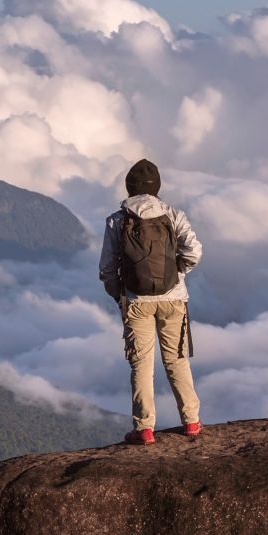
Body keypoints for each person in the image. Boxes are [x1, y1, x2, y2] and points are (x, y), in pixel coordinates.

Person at [99, 158, 203, 445]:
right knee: (177, 361)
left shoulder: (117, 220)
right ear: (156, 187)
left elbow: (107, 267)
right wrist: (178, 271)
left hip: (136, 301)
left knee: (141, 364)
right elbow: (194, 251)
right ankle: (192, 422)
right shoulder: (172, 214)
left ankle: (145, 429)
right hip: (174, 301)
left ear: (130, 188)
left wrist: (119, 294)